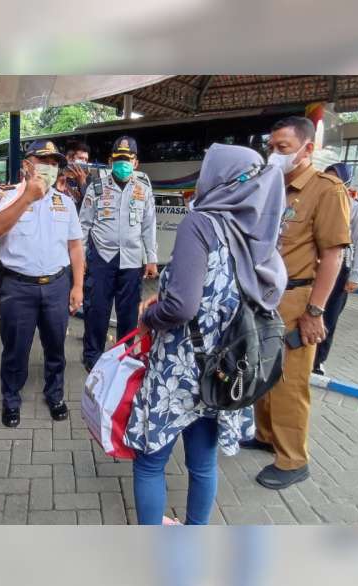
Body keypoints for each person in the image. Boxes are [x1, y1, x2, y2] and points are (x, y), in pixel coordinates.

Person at [126, 143, 287, 524]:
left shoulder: (201, 223)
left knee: (150, 461)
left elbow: (182, 307)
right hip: (227, 367)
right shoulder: (258, 230)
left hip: (181, 368)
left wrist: (149, 318)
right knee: (202, 464)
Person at [240, 116, 351, 490]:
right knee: (262, 371)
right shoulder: (269, 186)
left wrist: (315, 311)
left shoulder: (325, 190)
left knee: (289, 380)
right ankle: (266, 435)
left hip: (296, 298)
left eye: (282, 148)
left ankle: (292, 460)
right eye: (271, 146)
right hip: (262, 297)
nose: (274, 154)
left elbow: (333, 255)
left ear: (308, 149)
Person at [0, 140, 85, 428]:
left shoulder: (65, 202)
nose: (50, 168)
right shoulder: (6, 196)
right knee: (16, 348)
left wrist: (77, 286)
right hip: (17, 287)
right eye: (44, 161)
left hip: (56, 285)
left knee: (56, 346)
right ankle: (11, 399)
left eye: (55, 164)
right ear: (26, 165)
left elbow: (76, 247)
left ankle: (55, 395)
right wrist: (27, 197)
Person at [79, 135, 158, 372]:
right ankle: (92, 357)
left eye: (128, 159)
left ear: (136, 162)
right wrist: (80, 258)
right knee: (97, 311)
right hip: (102, 258)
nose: (123, 164)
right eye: (119, 159)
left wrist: (151, 258)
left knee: (128, 314)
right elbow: (84, 225)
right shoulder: (97, 187)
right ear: (110, 160)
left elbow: (149, 225)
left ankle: (124, 356)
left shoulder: (143, 189)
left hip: (132, 261)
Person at [313, 163, 358, 375]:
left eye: (335, 179)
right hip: (311, 268)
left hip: (339, 270)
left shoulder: (356, 209)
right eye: (326, 178)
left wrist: (356, 275)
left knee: (328, 317)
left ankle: (318, 360)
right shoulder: (314, 202)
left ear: (345, 182)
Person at [56, 140, 91, 211]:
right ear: (69, 158)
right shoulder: (57, 178)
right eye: (81, 158)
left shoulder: (88, 179)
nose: (84, 163)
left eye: (86, 160)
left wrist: (82, 184)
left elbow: (90, 207)